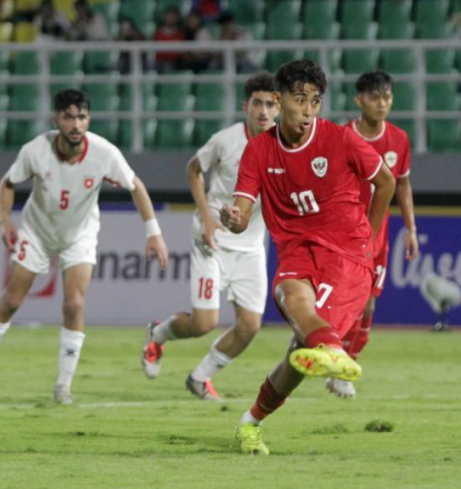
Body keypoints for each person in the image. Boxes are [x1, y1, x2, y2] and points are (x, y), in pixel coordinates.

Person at [219, 59, 396, 455]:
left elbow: (385, 181)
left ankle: (251, 422)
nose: (308, 110)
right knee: (287, 295)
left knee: (298, 357)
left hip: (347, 255)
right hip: (297, 248)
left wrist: (367, 235)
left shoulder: (340, 139)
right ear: (280, 101)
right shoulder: (259, 150)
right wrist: (232, 219)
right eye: (300, 100)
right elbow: (242, 211)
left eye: (315, 101)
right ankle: (333, 350)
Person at [0, 89, 169, 405]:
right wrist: (5, 222)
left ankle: (63, 387)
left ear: (88, 119)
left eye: (81, 116)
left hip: (80, 234)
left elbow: (136, 186)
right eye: (68, 116)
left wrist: (154, 232)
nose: (76, 124)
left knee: (74, 304)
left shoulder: (104, 153)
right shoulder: (35, 151)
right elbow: (8, 183)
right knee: (10, 300)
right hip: (37, 231)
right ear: (56, 120)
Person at [141, 73, 279, 401]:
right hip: (212, 240)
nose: (263, 110)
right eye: (257, 103)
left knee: (249, 327)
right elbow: (193, 168)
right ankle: (157, 335)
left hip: (251, 246)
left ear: (279, 108)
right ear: (246, 106)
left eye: (270, 104)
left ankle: (200, 378)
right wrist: (206, 216)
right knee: (204, 323)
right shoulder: (226, 140)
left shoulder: (284, 145)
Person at [326, 70, 419, 399]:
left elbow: (403, 184)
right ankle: (325, 355)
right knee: (341, 304)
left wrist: (410, 228)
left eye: (387, 97)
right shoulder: (340, 137)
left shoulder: (398, 139)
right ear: (359, 100)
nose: (382, 103)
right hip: (343, 235)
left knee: (367, 307)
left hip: (377, 237)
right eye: (375, 97)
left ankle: (345, 367)